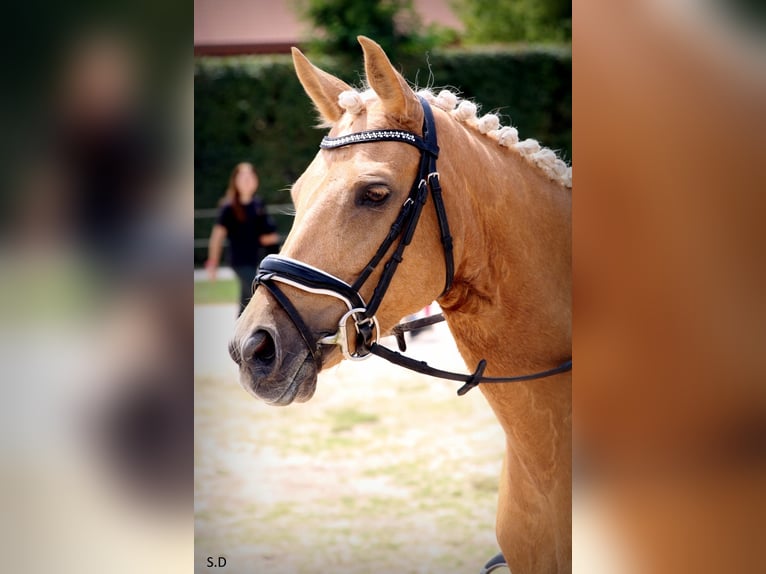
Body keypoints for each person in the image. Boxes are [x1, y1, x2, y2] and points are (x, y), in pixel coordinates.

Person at [205, 162, 280, 315]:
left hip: (254, 259)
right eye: (243, 177)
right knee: (256, 294)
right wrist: (212, 262)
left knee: (247, 298)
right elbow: (217, 237)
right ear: (235, 181)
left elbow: (264, 233)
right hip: (239, 261)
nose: (247, 180)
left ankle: (239, 334)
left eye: (251, 176)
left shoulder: (258, 204)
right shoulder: (228, 208)